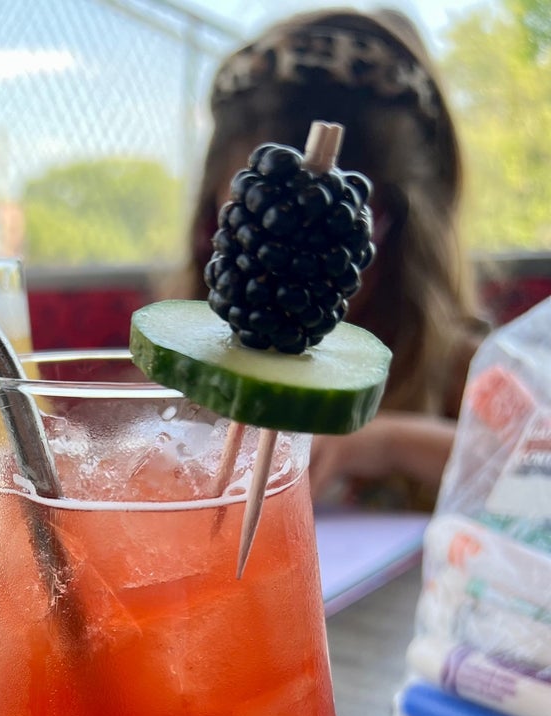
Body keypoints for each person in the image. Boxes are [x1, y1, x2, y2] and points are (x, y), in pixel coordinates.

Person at [178, 6, 488, 508]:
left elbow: (525, 468)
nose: (287, 267)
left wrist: (390, 443)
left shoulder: (461, 369)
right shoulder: (181, 366)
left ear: (400, 236)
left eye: (325, 242)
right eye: (260, 232)